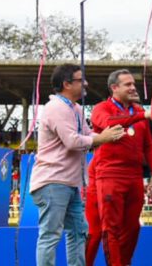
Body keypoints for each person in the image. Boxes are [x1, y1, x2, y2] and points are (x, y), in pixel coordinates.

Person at [31, 64, 124, 266]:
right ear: (66, 84)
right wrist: (102, 138)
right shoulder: (56, 108)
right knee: (50, 235)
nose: (86, 84)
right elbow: (73, 141)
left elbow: (87, 134)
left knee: (79, 232)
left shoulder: (75, 108)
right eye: (80, 80)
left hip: (71, 183)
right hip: (53, 181)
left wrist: (106, 136)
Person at [89, 69, 152, 266]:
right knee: (110, 228)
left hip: (134, 176)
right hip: (109, 174)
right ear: (114, 88)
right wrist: (142, 115)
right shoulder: (101, 108)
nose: (133, 87)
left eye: (133, 84)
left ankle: (125, 262)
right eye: (127, 84)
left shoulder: (138, 112)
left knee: (132, 228)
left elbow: (148, 146)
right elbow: (110, 123)